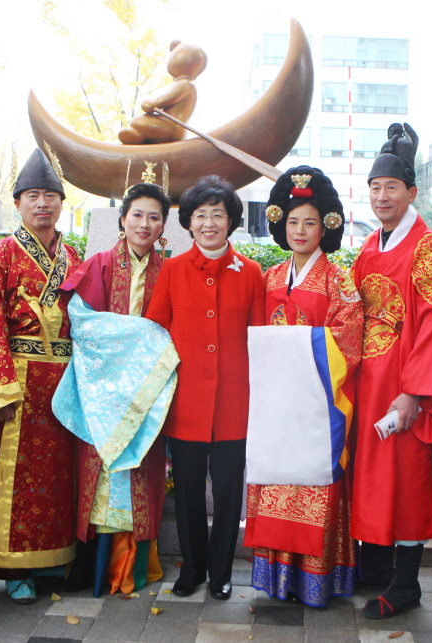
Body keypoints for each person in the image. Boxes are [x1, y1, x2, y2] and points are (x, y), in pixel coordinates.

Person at [0, 149, 82, 604]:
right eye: (32, 196)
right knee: (18, 477)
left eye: (50, 196)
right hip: (19, 380)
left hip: (63, 380)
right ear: (19, 203)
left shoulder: (73, 255)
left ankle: (55, 560)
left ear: (62, 203)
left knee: (58, 475)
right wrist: (1, 386)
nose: (42, 204)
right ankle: (14, 568)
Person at [349, 123, 432, 619]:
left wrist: (415, 392)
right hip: (368, 382)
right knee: (372, 475)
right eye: (374, 187)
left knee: (408, 478)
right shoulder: (371, 246)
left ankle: (408, 583)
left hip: (403, 386)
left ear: (412, 192)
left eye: (391, 187)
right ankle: (375, 568)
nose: (381, 195)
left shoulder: (428, 245)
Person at [243, 166, 363, 607]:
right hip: (276, 407)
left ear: (326, 226)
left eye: (310, 222)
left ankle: (316, 580)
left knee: (315, 487)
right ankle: (277, 579)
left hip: (316, 406)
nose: (300, 230)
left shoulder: (338, 281)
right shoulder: (270, 278)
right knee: (276, 484)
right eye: (292, 221)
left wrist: (296, 350)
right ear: (280, 224)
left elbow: (349, 340)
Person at [146, 175, 265, 600]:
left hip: (236, 402)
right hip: (187, 401)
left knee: (230, 493)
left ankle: (221, 572)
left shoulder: (251, 273)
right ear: (189, 222)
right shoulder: (173, 270)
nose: (209, 222)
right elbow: (157, 330)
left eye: (218, 214)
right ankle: (192, 569)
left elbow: (261, 337)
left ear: (231, 220)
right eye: (201, 215)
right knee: (190, 493)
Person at [56, 182, 173, 596]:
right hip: (103, 392)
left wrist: (146, 356)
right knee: (101, 478)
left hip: (147, 396)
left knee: (141, 474)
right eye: (137, 215)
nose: (145, 224)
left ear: (164, 225)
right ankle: (97, 568)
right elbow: (83, 324)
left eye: (154, 217)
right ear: (122, 220)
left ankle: (133, 568)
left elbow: (172, 336)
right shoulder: (99, 265)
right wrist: (135, 344)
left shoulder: (169, 272)